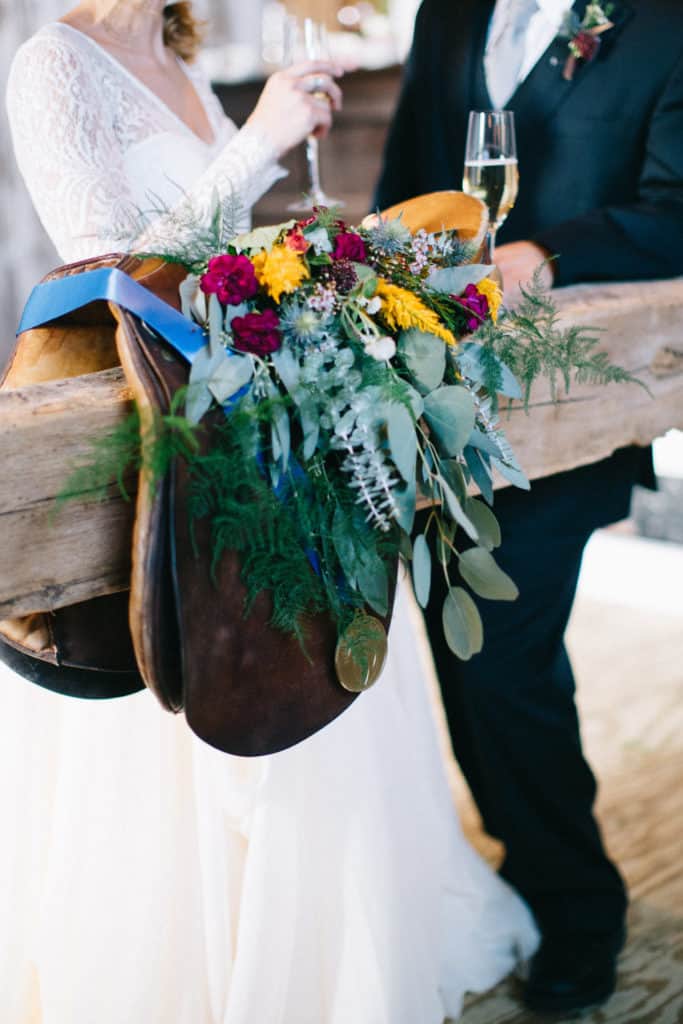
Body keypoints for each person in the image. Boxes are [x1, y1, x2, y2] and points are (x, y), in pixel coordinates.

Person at [2, 3, 539, 1022]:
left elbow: (221, 254)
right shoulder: (50, 64)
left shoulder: (176, 54)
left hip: (263, 424)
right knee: (194, 684)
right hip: (160, 449)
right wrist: (257, 145)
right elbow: (108, 274)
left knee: (310, 669)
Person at [375, 0, 683, 1013]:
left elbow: (673, 210)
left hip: (572, 401)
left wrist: (543, 254)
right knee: (461, 643)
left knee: (498, 649)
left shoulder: (662, 21)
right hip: (432, 399)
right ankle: (528, 862)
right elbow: (405, 191)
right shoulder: (449, 13)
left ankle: (576, 908)